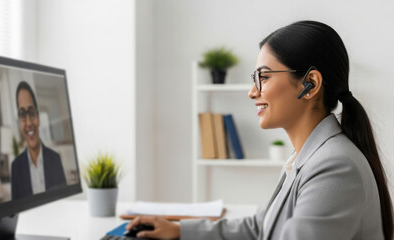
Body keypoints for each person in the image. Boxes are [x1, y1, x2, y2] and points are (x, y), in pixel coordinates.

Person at [126, 21, 393, 240]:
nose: (253, 92)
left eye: (263, 77)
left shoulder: (335, 166)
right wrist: (179, 231)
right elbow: (262, 227)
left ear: (310, 84)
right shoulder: (306, 157)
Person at [11, 81, 67, 200]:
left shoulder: (55, 159)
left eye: (31, 113)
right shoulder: (16, 168)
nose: (29, 123)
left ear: (38, 117)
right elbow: (16, 213)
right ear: (19, 122)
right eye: (22, 115)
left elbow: (64, 202)